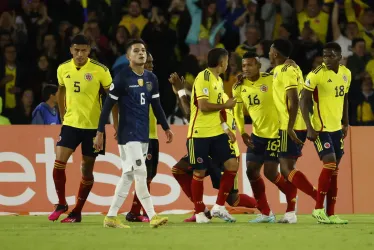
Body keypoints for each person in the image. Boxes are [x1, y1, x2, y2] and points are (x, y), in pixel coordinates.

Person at [94, 39, 173, 229]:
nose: (141, 53)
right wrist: (100, 132)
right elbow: (107, 107)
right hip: (127, 135)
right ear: (128, 57)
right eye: (136, 51)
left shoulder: (151, 79)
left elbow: (156, 105)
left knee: (128, 175)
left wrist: (165, 126)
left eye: (143, 50)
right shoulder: (121, 78)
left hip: (143, 134)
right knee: (141, 172)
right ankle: (152, 215)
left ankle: (111, 216)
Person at [169, 73, 257, 223]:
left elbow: (190, 114)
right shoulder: (219, 96)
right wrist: (183, 89)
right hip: (212, 148)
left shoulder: (214, 100)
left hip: (223, 151)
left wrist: (180, 91)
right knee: (180, 169)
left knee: (234, 200)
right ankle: (200, 210)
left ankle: (262, 205)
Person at [48, 34, 114, 223]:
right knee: (58, 164)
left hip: (93, 128)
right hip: (70, 124)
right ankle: (61, 203)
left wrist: (111, 123)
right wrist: (62, 114)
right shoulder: (63, 68)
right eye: (76, 50)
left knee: (86, 170)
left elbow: (112, 97)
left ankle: (77, 211)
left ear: (89, 50)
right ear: (71, 50)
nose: (79, 54)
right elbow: (61, 90)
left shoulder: (100, 70)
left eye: (83, 50)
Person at [233, 51, 300, 223]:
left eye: (250, 65)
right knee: (251, 171)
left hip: (276, 133)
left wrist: (292, 66)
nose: (246, 68)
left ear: (258, 65)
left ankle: (291, 197)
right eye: (243, 65)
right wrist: (242, 131)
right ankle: (265, 212)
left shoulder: (271, 79)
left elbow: (290, 80)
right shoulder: (239, 86)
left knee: (271, 172)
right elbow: (238, 112)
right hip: (257, 135)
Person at [186, 48, 238, 223]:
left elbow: (220, 109)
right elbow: (204, 106)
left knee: (232, 164)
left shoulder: (218, 80)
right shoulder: (204, 77)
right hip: (199, 133)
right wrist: (227, 105)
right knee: (199, 172)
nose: (228, 64)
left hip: (217, 132)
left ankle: (219, 206)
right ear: (222, 62)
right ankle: (200, 211)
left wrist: (226, 129)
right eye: (227, 60)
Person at [300, 42, 350, 224]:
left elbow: (344, 97)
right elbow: (303, 101)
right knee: (330, 163)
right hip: (320, 129)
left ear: (339, 56)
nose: (326, 59)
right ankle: (318, 209)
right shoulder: (316, 74)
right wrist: (309, 127)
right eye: (324, 55)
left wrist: (346, 122)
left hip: (336, 128)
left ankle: (331, 213)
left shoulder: (346, 73)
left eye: (330, 56)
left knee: (334, 170)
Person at [270, 39, 317, 223]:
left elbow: (294, 99)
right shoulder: (285, 69)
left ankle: (319, 198)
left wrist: (289, 127)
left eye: (271, 50)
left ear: (275, 53)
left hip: (291, 125)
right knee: (289, 168)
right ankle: (290, 213)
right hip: (293, 124)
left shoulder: (287, 70)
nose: (268, 53)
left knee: (286, 168)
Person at [126, 52, 160, 223]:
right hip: (142, 136)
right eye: (148, 62)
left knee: (150, 174)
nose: (151, 65)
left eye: (152, 62)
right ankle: (135, 212)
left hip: (153, 135)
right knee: (143, 175)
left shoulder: (151, 83)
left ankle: (137, 211)